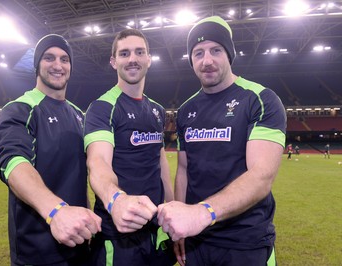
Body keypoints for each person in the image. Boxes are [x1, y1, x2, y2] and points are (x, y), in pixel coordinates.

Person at [157, 16, 286, 266]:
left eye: (216, 50)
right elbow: (184, 170)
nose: (207, 61)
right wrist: (180, 225)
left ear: (229, 54)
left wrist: (202, 212)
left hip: (245, 242)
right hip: (197, 239)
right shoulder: (185, 111)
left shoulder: (261, 100)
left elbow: (261, 176)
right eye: (198, 53)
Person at [0, 34, 101, 266]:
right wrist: (56, 211)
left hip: (79, 243)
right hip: (37, 252)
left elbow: (78, 177)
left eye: (64, 59)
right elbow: (14, 163)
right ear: (37, 65)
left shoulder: (78, 115)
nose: (58, 65)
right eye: (49, 58)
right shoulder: (20, 109)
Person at [84, 29, 175, 266]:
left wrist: (171, 208)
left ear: (149, 59)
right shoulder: (102, 107)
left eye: (139, 52)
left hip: (155, 230)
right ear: (114, 62)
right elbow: (98, 162)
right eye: (124, 53)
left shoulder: (157, 110)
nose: (132, 58)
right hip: (119, 236)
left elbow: (160, 161)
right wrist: (116, 200)